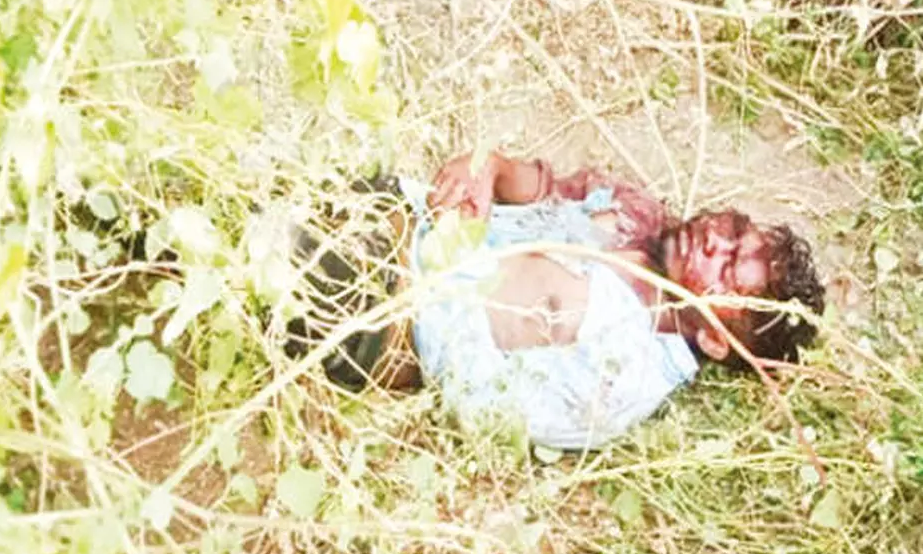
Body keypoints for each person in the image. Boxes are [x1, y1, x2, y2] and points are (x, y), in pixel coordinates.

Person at [282, 151, 825, 450]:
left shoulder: (622, 377)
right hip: (394, 209)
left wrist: (450, 266)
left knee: (268, 255)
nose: (713, 242)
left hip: (385, 316)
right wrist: (489, 170)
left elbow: (484, 408)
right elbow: (541, 189)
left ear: (715, 339)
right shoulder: (641, 215)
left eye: (726, 271)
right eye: (734, 231)